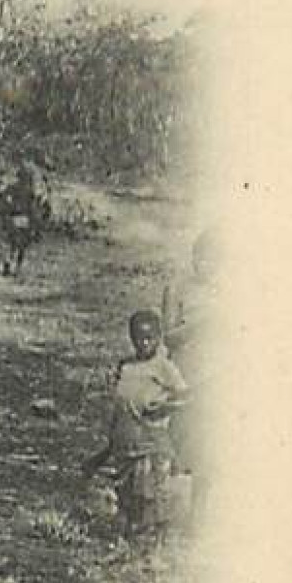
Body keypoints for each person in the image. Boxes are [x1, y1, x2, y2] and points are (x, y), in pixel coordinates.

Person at [83, 308, 189, 551]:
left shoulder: (164, 367)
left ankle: (156, 550)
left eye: (149, 338)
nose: (143, 343)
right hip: (126, 442)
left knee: (152, 496)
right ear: (131, 338)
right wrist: (104, 452)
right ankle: (129, 546)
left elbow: (185, 396)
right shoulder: (126, 366)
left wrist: (163, 407)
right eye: (138, 338)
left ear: (158, 338)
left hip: (151, 442)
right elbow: (121, 407)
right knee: (128, 497)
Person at [161, 231, 217, 522]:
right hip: (184, 374)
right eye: (202, 257)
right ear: (194, 257)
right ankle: (166, 513)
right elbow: (168, 337)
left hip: (217, 378)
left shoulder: (231, 292)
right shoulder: (177, 288)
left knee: (208, 447)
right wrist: (201, 325)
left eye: (215, 261)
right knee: (177, 441)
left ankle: (199, 514)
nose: (207, 265)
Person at [0, 163, 47, 277]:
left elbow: (3, 199)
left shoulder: (12, 188)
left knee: (12, 243)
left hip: (14, 217)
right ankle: (16, 267)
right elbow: (32, 208)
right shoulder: (29, 191)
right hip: (23, 218)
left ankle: (9, 264)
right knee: (21, 245)